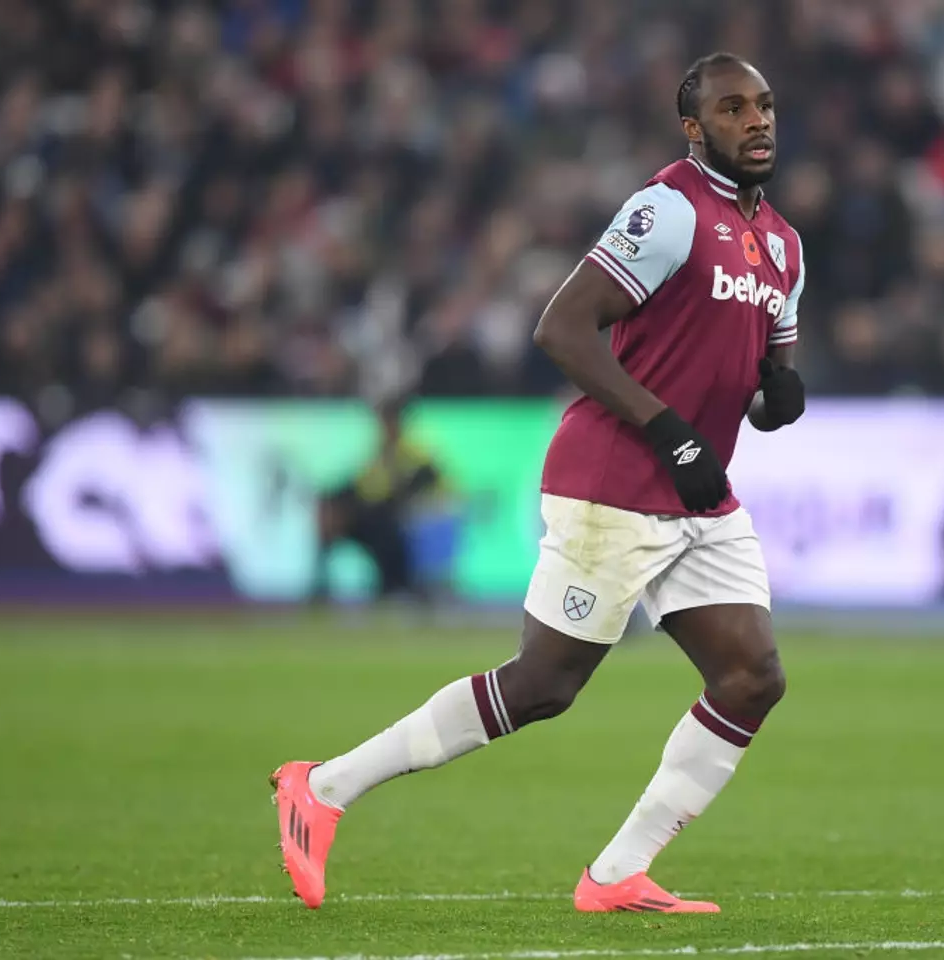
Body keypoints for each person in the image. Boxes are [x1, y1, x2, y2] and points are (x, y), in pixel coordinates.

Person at [271, 53, 808, 914]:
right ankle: (323, 786)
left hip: (696, 496)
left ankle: (615, 875)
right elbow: (562, 329)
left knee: (753, 676)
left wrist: (780, 392)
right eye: (734, 108)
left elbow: (765, 371)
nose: (756, 121)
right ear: (694, 127)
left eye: (766, 104)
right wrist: (669, 429)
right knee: (543, 686)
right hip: (613, 480)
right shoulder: (668, 209)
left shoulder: (783, 244)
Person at [311, 400, 443, 603]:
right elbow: (359, 485)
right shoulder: (380, 453)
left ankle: (396, 586)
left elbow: (422, 482)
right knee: (337, 518)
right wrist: (330, 499)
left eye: (387, 422)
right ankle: (320, 586)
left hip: (408, 521)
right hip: (378, 517)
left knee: (385, 530)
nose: (383, 428)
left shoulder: (413, 452)